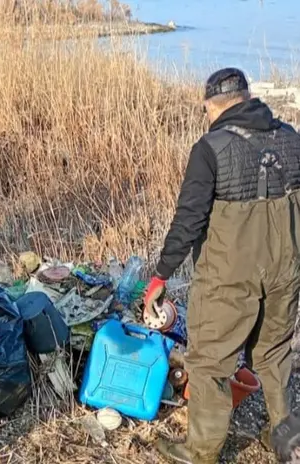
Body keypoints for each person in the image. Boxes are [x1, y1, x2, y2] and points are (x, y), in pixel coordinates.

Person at [144, 67, 300, 463]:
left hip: (228, 278)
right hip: (285, 272)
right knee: (275, 352)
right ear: (247, 98)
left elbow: (189, 220)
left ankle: (202, 450)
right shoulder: (290, 138)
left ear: (211, 106)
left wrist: (161, 275)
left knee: (210, 361)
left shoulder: (210, 148)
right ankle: (284, 435)